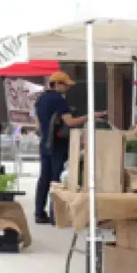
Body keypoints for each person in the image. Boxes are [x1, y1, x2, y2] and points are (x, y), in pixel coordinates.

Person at [34, 71, 93, 225]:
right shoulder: (59, 100)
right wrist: (90, 117)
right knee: (56, 179)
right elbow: (70, 122)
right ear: (58, 84)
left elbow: (38, 124)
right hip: (58, 144)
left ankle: (39, 213)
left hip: (45, 143)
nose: (67, 88)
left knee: (44, 178)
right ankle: (56, 216)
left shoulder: (41, 99)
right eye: (65, 85)